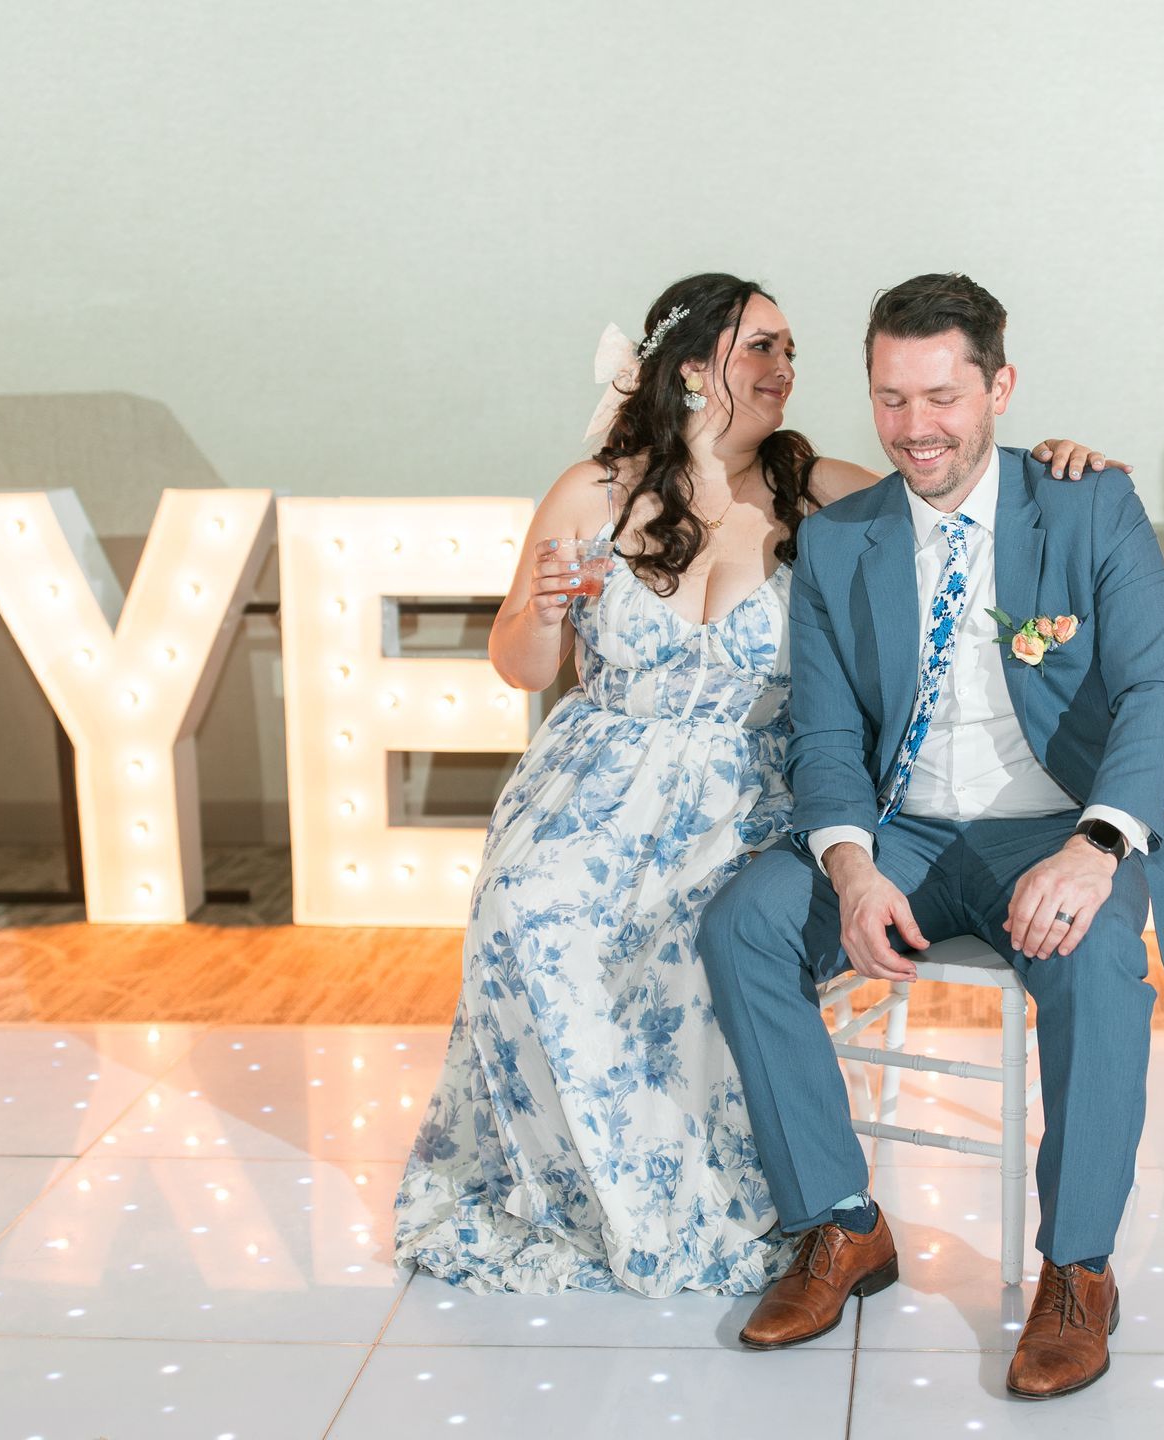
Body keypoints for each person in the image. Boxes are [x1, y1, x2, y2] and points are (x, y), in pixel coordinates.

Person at [392, 270, 1125, 1298]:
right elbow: (518, 664)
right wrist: (545, 611)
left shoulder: (817, 486)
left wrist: (1059, 467)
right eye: (759, 349)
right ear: (692, 372)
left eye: (790, 351)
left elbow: (956, 492)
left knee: (717, 923)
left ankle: (727, 1193)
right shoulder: (589, 494)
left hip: (754, 782)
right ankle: (585, 1192)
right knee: (529, 916)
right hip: (599, 779)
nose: (785, 368)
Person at [697, 272, 1164, 1398]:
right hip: (903, 835)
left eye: (941, 396)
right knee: (745, 925)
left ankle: (1077, 1271)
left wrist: (1097, 847)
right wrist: (851, 862)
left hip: (1055, 830)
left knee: (1101, 955)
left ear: (999, 388)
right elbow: (825, 737)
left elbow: (1161, 693)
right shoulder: (841, 542)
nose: (915, 428)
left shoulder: (1087, 505)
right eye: (890, 399)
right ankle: (838, 1223)